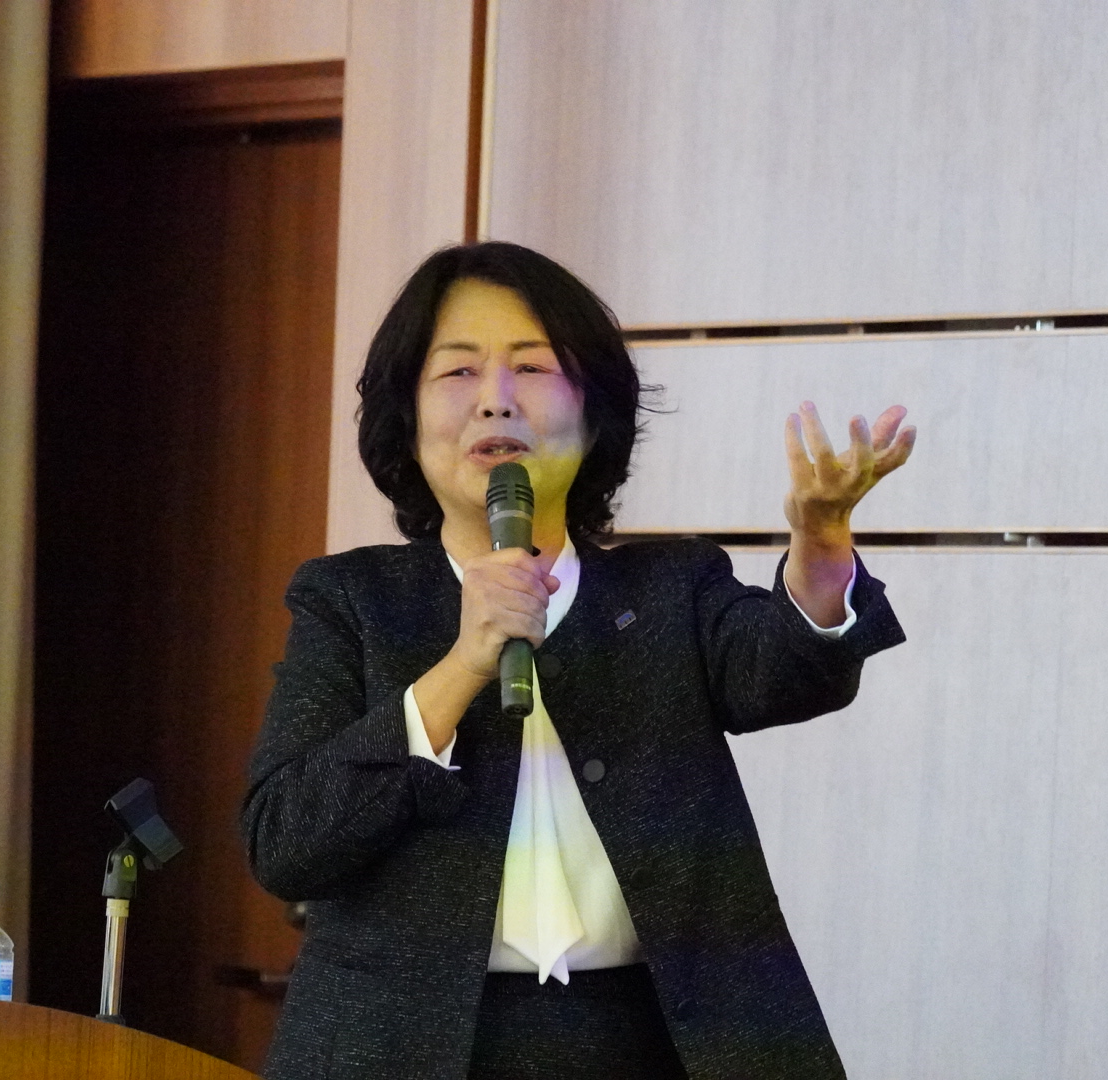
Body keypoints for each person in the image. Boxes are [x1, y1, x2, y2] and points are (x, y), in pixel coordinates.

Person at [241, 242, 914, 1079]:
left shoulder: (671, 588)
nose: (496, 399)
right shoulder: (352, 602)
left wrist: (819, 549)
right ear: (406, 423)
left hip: (653, 1043)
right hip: (405, 1048)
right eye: (458, 372)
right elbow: (285, 843)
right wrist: (461, 666)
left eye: (531, 367)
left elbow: (786, 670)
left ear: (595, 418)